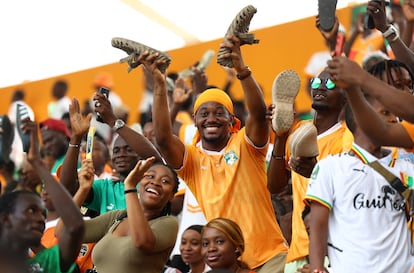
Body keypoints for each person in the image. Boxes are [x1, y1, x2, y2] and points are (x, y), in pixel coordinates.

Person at [143, 34, 288, 272]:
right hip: (227, 266)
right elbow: (162, 138)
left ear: (231, 120)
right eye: (204, 113)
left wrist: (241, 69)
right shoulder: (191, 160)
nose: (211, 118)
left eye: (219, 112)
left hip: (271, 258)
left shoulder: (245, 145)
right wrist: (160, 85)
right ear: (195, 121)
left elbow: (259, 114)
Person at [304, 101, 414, 272]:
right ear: (360, 117)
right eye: (385, 113)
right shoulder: (331, 167)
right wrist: (317, 268)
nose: (394, 119)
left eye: (394, 114)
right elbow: (318, 226)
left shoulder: (407, 169)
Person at [269, 68, 348, 273]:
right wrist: (280, 136)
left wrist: (316, 172)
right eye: (315, 82)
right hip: (297, 249)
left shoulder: (347, 139)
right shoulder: (299, 131)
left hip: (332, 248)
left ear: (345, 98)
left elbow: (348, 192)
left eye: (330, 84)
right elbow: (275, 185)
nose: (320, 87)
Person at [63, 156, 179, 273]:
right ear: (141, 182)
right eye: (150, 176)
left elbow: (142, 242)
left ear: (172, 196)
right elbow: (64, 230)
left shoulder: (169, 224)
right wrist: (83, 189)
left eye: (165, 181)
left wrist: (130, 187)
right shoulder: (117, 217)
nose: (155, 182)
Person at [0, 119, 84, 273]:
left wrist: (37, 163)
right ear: (6, 218)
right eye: (31, 211)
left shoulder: (42, 265)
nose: (41, 219)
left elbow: (75, 226)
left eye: (42, 212)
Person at [59, 96, 163, 214]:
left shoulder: (151, 184)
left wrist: (113, 121)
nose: (121, 155)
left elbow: (156, 160)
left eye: (128, 150)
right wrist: (76, 138)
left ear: (140, 155)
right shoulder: (105, 188)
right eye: (116, 151)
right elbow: (68, 187)